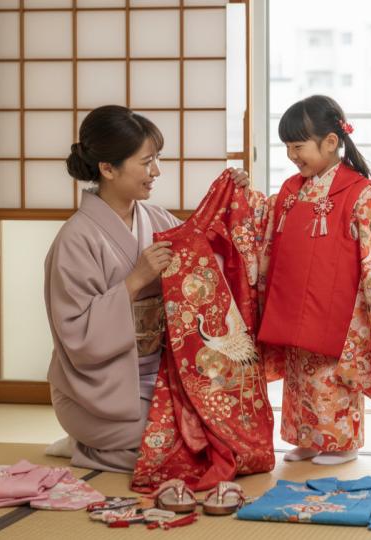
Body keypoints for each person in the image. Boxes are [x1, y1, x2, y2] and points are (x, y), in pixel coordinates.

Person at [43, 105, 249, 472]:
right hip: (98, 394)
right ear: (108, 169)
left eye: (157, 159)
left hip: (160, 379)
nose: (157, 171)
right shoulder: (74, 240)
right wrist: (135, 280)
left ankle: (104, 448)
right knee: (173, 443)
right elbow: (76, 334)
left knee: (221, 433)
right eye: (146, 161)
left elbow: (204, 256)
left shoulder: (155, 219)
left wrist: (232, 200)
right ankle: (85, 444)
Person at [245, 95, 371, 465]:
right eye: (287, 147)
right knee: (299, 371)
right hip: (292, 297)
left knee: (330, 373)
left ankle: (342, 443)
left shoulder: (357, 191)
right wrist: (239, 197)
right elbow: (262, 222)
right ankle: (305, 437)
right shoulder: (291, 190)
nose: (292, 155)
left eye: (298, 146)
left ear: (330, 142)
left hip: (334, 301)